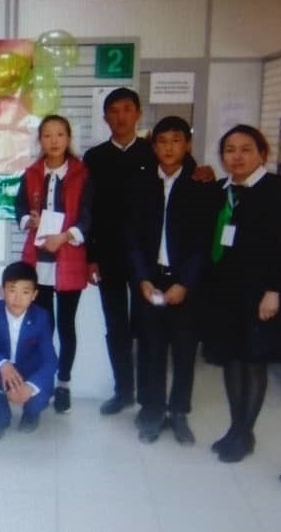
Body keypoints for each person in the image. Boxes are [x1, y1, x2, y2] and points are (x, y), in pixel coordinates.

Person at [84, 88, 211, 416]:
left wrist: (205, 173)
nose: (121, 116)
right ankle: (123, 390)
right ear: (105, 117)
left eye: (127, 109)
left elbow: (189, 178)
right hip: (111, 255)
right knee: (116, 325)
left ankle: (154, 399)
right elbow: (90, 210)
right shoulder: (95, 157)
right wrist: (91, 256)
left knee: (150, 330)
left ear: (138, 114)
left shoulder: (154, 151)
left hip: (150, 258)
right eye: (114, 111)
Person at [204, 125, 281, 463]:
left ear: (262, 153)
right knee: (232, 357)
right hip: (225, 291)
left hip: (259, 291)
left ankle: (245, 433)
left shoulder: (276, 189)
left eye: (245, 149)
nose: (237, 157)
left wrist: (274, 290)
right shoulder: (220, 190)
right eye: (230, 150)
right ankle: (235, 426)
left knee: (254, 360)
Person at [127, 116, 211, 445]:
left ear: (187, 144)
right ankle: (152, 409)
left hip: (185, 283)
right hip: (151, 278)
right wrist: (142, 279)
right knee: (150, 348)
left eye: (176, 141)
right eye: (162, 141)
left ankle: (178, 412)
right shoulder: (142, 183)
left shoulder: (201, 185)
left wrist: (185, 283)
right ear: (154, 146)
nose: (169, 148)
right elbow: (132, 236)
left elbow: (204, 242)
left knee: (184, 350)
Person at [15, 115, 92, 414]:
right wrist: (29, 221)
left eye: (60, 134)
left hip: (69, 258)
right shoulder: (32, 173)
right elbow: (20, 207)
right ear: (40, 140)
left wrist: (65, 237)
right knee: (42, 326)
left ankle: (64, 383)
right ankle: (42, 380)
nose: (54, 140)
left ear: (68, 138)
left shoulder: (82, 174)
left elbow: (88, 216)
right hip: (39, 262)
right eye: (47, 135)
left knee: (66, 326)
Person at [0, 262, 58, 443]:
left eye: (25, 292)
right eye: (12, 290)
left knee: (40, 395)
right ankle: (2, 416)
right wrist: (2, 364)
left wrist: (30, 386)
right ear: (2, 291)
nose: (18, 298)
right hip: (2, 369)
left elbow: (50, 359)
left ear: (34, 295)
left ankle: (31, 414)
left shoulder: (41, 316)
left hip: (30, 370)